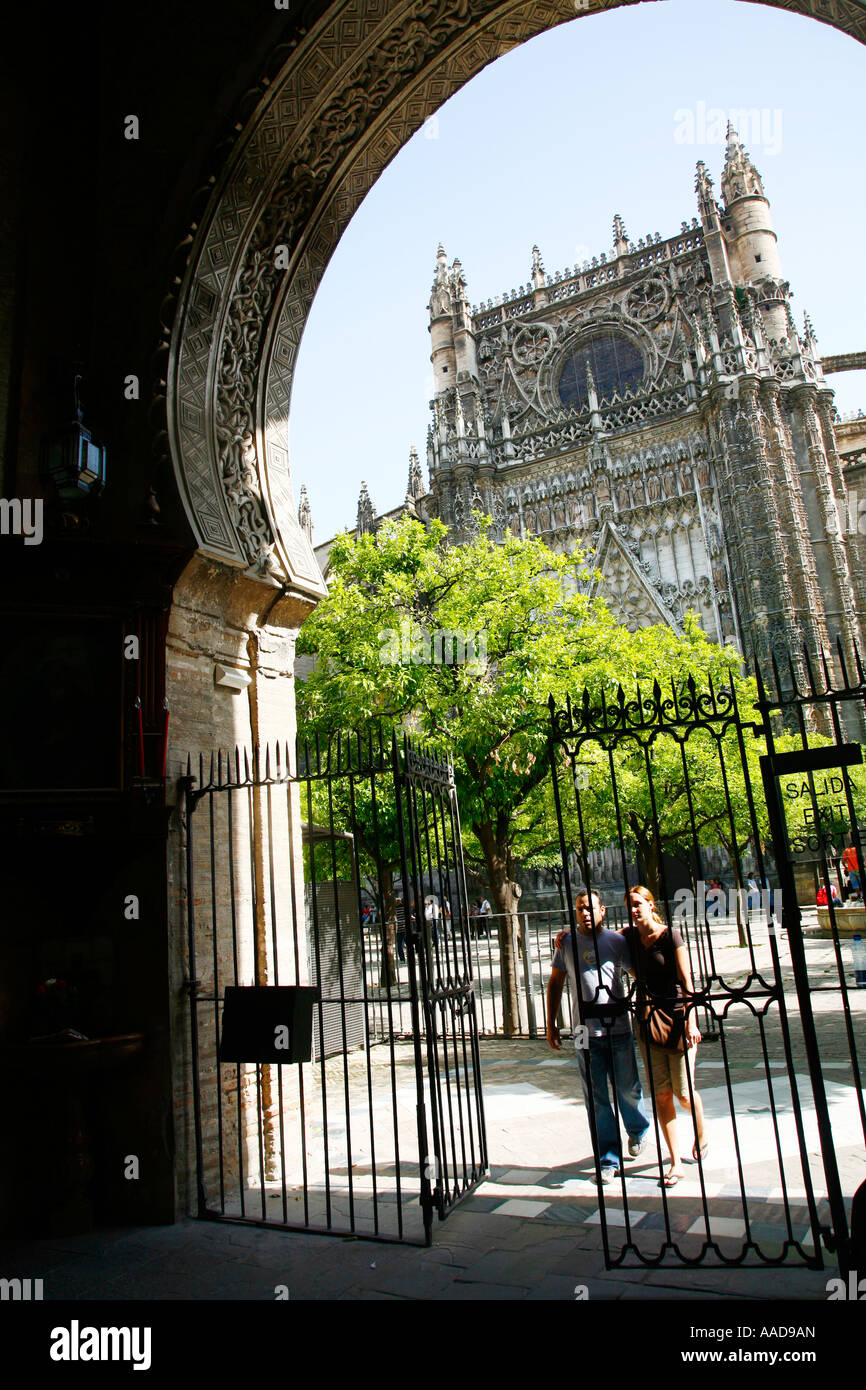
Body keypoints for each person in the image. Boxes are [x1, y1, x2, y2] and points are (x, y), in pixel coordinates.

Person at [546, 891, 650, 1183]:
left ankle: (638, 1130)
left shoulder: (616, 942)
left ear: (603, 911)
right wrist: (551, 1024)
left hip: (618, 1025)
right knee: (596, 1096)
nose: (585, 913)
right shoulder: (566, 943)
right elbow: (555, 982)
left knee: (628, 1087)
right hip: (582, 1029)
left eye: (590, 908)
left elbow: (635, 973)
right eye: (580, 908)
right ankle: (608, 1157)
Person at [621, 885, 707, 1188]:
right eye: (629, 905)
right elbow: (599, 938)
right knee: (660, 1094)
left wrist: (692, 1022)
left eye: (638, 904)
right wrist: (565, 937)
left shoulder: (671, 936)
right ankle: (674, 1162)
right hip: (647, 1022)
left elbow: (687, 981)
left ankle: (701, 1130)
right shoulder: (629, 937)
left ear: (650, 905)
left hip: (677, 1019)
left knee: (684, 1093)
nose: (634, 910)